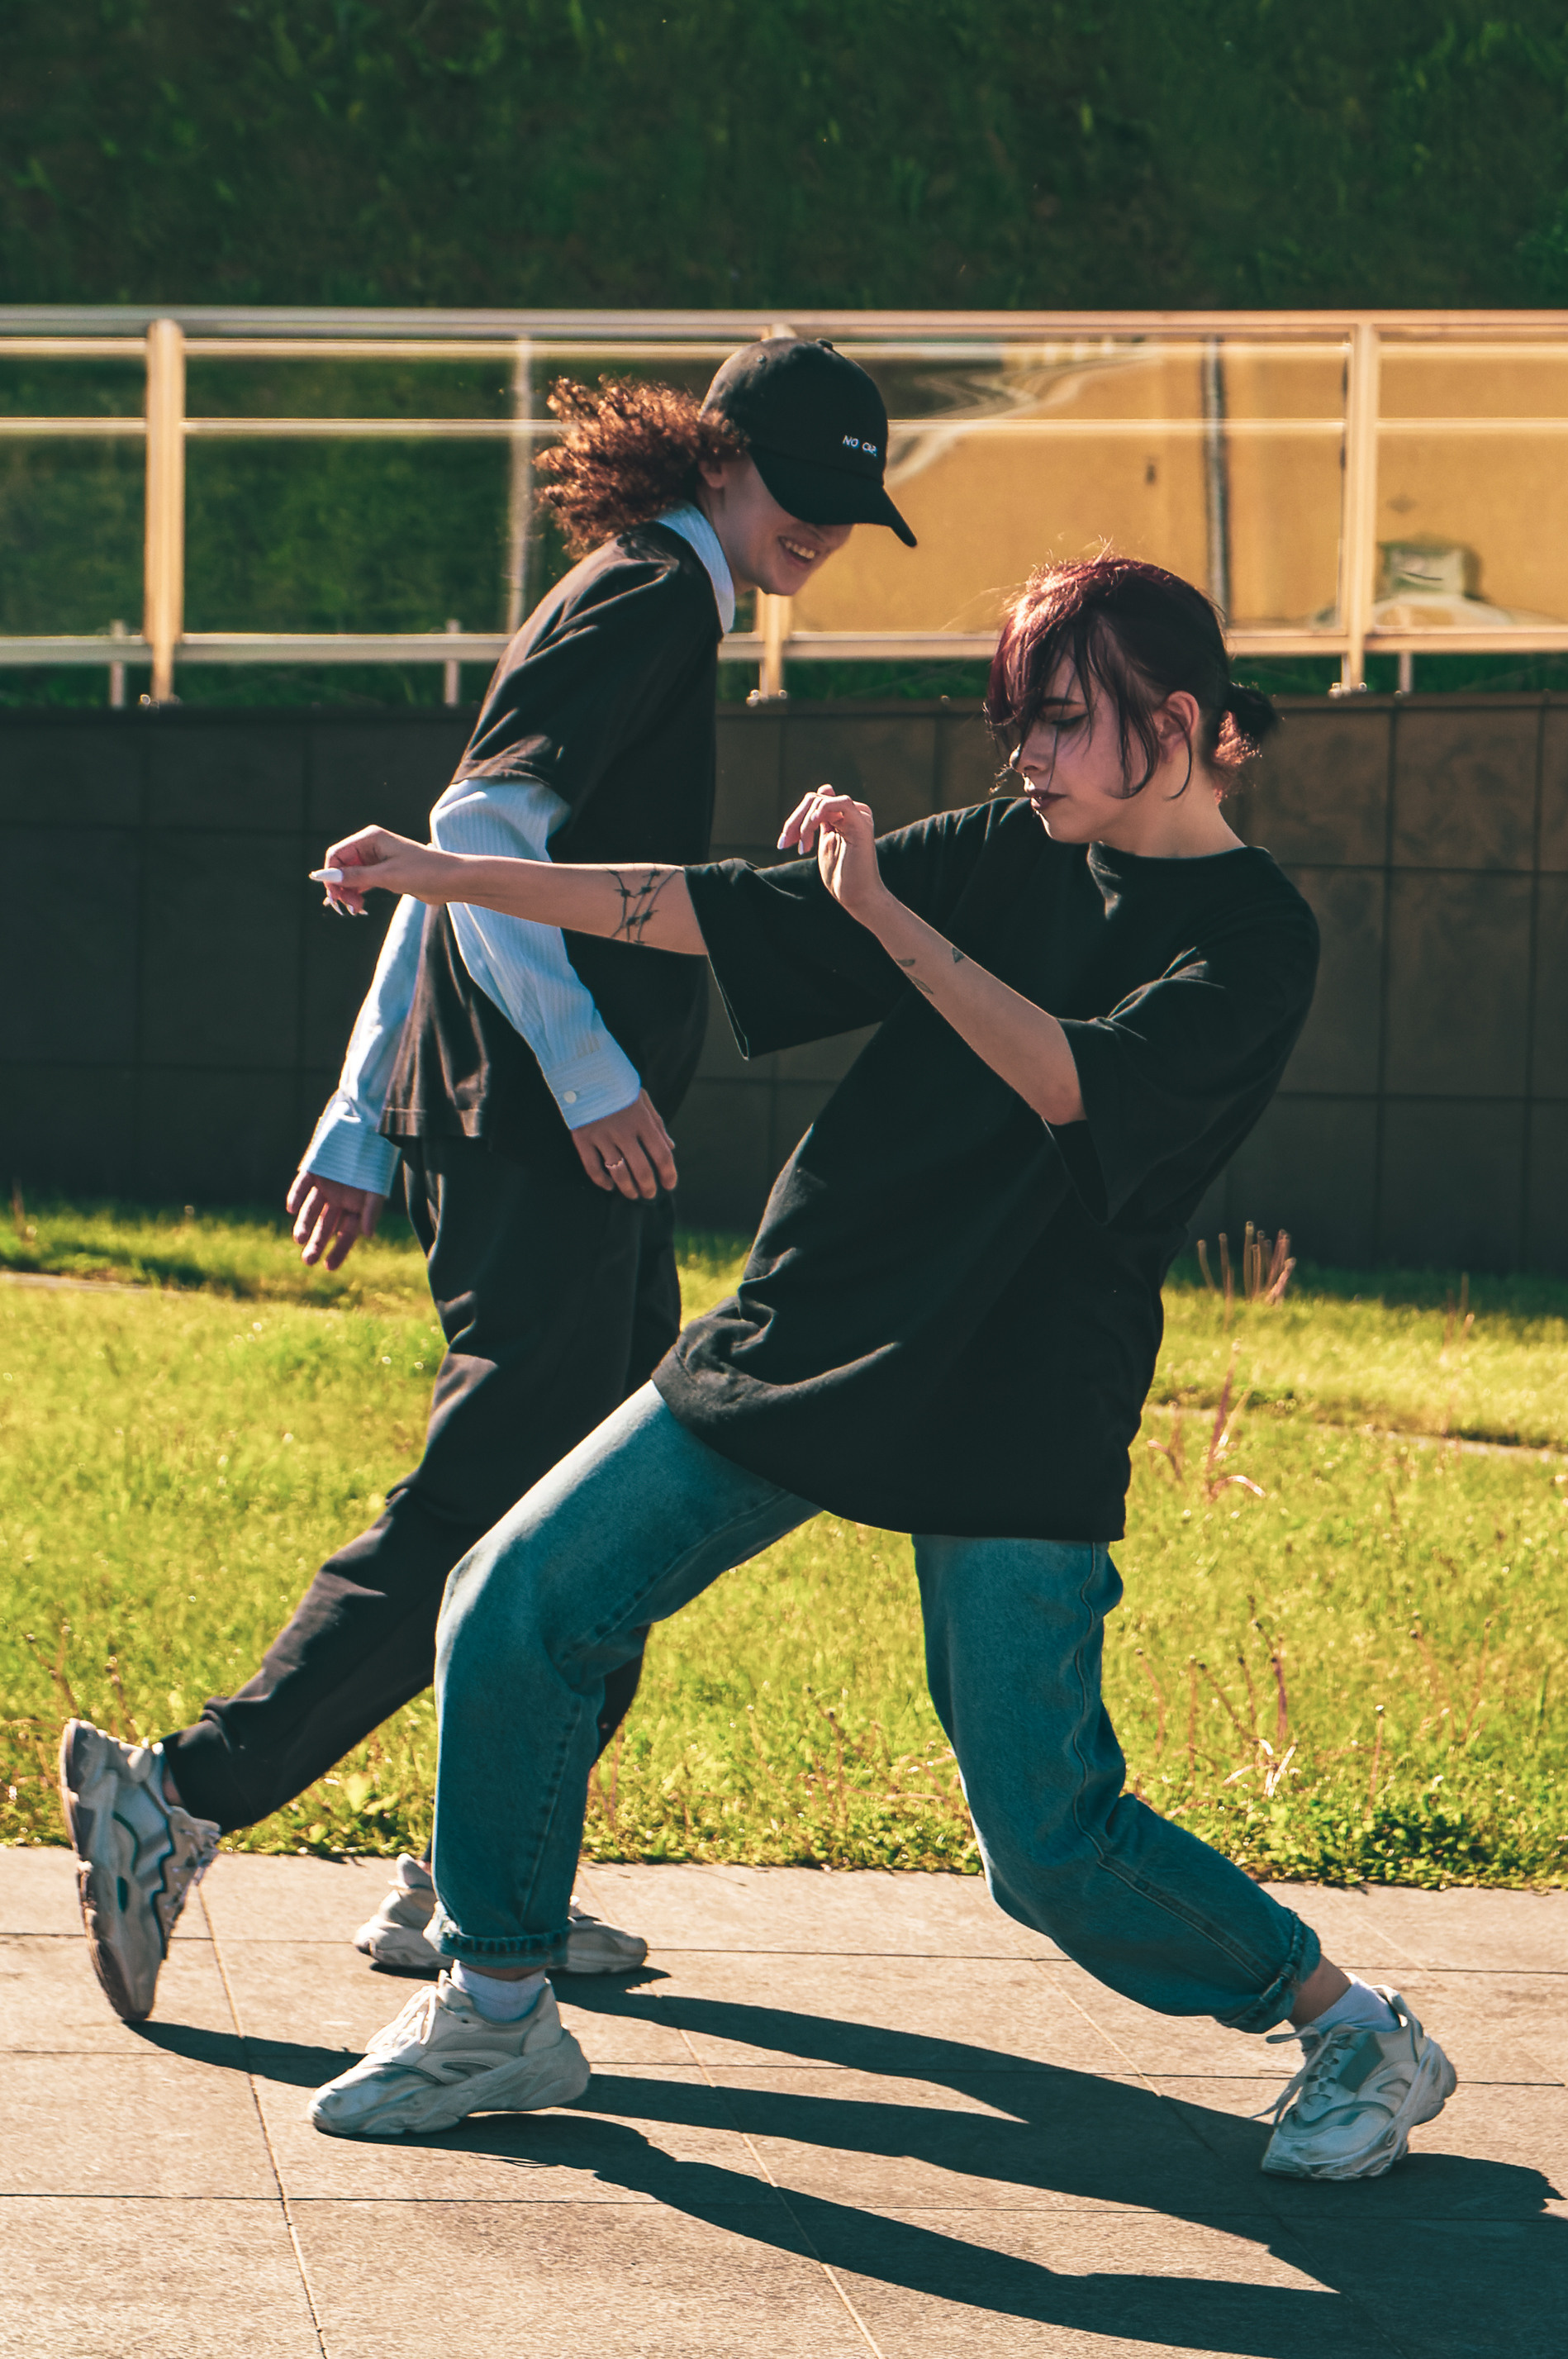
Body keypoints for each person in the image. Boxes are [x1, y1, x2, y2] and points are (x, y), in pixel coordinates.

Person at [304, 553, 1456, 2181]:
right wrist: (450, 875)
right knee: (511, 1600)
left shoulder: (1258, 939)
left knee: (1045, 1844)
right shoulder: (1006, 846)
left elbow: (1072, 1079)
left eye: (1060, 726)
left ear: (1181, 722)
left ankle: (1351, 2027)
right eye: (1018, 727)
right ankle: (497, 2007)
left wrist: (887, 919)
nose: (1029, 761)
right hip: (812, 1330)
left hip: (1014, 1392)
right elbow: (705, 904)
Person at [58, 337, 918, 2026]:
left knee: (618, 1507)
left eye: (846, 504)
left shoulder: (643, 591)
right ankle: (180, 1798)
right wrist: (587, 1085)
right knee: (500, 1513)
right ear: (722, 457)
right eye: (800, 492)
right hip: (545, 1135)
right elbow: (481, 843)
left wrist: (360, 1116)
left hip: (536, 1129)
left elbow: (450, 855)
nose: (818, 529)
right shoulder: (650, 602)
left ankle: (474, 1873)